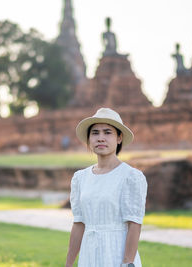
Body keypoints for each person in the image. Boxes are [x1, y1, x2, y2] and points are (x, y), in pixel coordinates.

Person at [66, 108, 148, 267]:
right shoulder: (80, 178)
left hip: (116, 255)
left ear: (119, 138)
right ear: (89, 139)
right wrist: (69, 264)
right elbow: (79, 223)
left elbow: (134, 224)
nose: (100, 138)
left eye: (107, 132)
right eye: (95, 133)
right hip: (88, 255)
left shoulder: (131, 176)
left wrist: (127, 263)